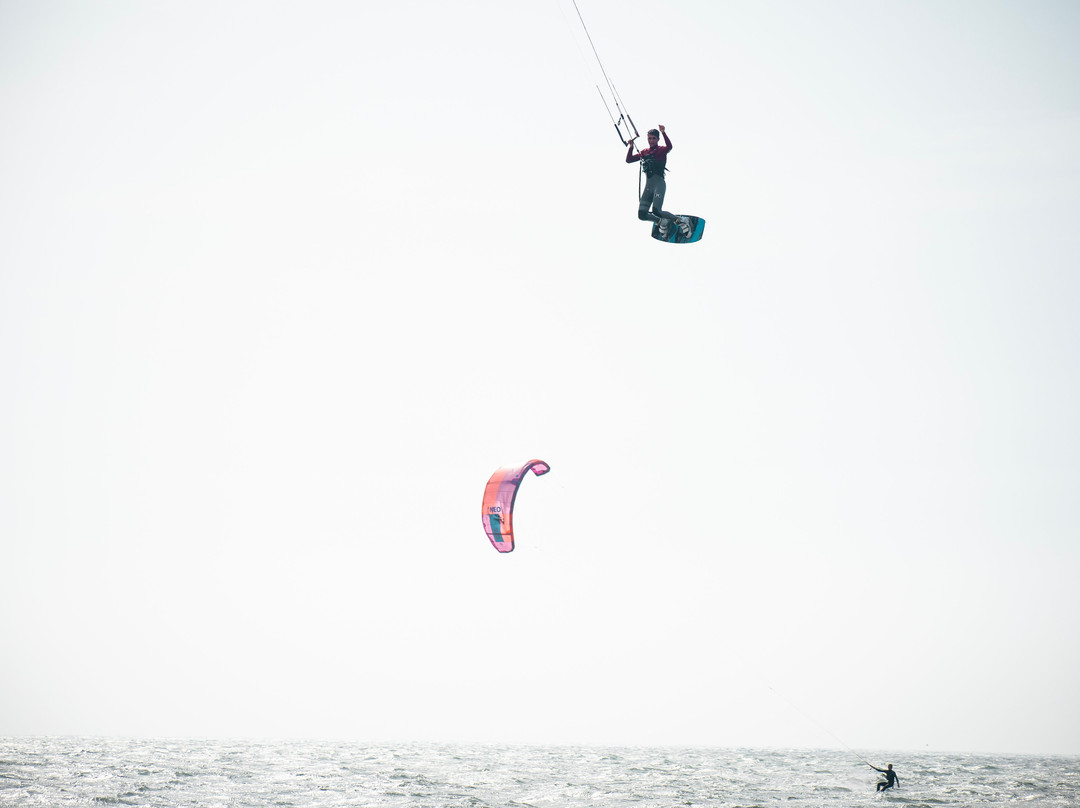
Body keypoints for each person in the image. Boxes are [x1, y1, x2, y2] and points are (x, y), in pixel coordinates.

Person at [625, 125, 690, 238]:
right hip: (649, 187)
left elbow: (669, 147)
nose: (651, 140)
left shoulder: (661, 150)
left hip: (659, 184)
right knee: (642, 215)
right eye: (649, 138)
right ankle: (662, 222)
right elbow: (629, 160)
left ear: (658, 139)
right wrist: (631, 146)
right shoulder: (644, 152)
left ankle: (682, 220)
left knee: (656, 210)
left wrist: (663, 132)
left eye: (654, 138)